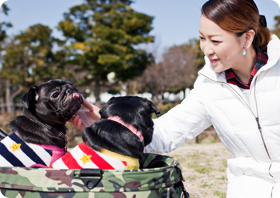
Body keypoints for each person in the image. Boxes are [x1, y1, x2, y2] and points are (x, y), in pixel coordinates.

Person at [70, 0, 280, 197]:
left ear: (247, 38)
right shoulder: (208, 86)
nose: (206, 49)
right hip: (248, 190)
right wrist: (112, 126)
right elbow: (167, 132)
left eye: (215, 40)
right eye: (202, 38)